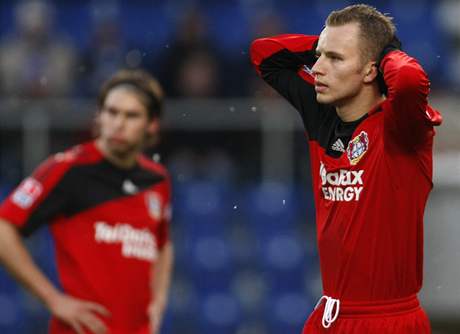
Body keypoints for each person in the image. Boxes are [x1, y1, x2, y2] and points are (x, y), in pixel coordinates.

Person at [250, 4, 442, 334]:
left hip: (388, 320)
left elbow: (409, 80)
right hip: (330, 315)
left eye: (335, 58)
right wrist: (326, 44)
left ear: (372, 71)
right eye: (319, 57)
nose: (318, 68)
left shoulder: (402, 129)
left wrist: (384, 53)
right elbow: (263, 55)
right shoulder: (322, 111)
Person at [0, 69, 173, 334]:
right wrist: (52, 299)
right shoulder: (67, 169)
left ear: (151, 125)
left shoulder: (157, 180)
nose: (118, 123)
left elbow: (163, 245)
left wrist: (158, 302)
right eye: (112, 112)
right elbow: (3, 228)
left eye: (131, 115)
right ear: (99, 116)